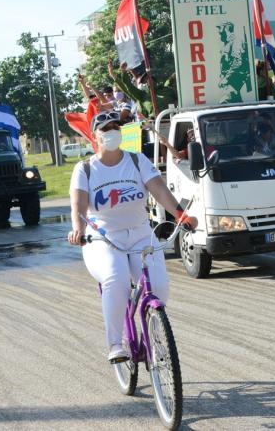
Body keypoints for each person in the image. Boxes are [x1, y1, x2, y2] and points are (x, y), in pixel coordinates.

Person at [67, 111, 197, 363]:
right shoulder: (84, 169)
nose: (112, 132)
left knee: (158, 287)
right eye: (106, 129)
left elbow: (158, 189)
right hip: (103, 239)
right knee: (116, 280)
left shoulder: (137, 161)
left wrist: (181, 215)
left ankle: (153, 328)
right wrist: (78, 230)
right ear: (95, 136)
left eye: (116, 127)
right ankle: (116, 343)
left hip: (140, 235)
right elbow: (78, 207)